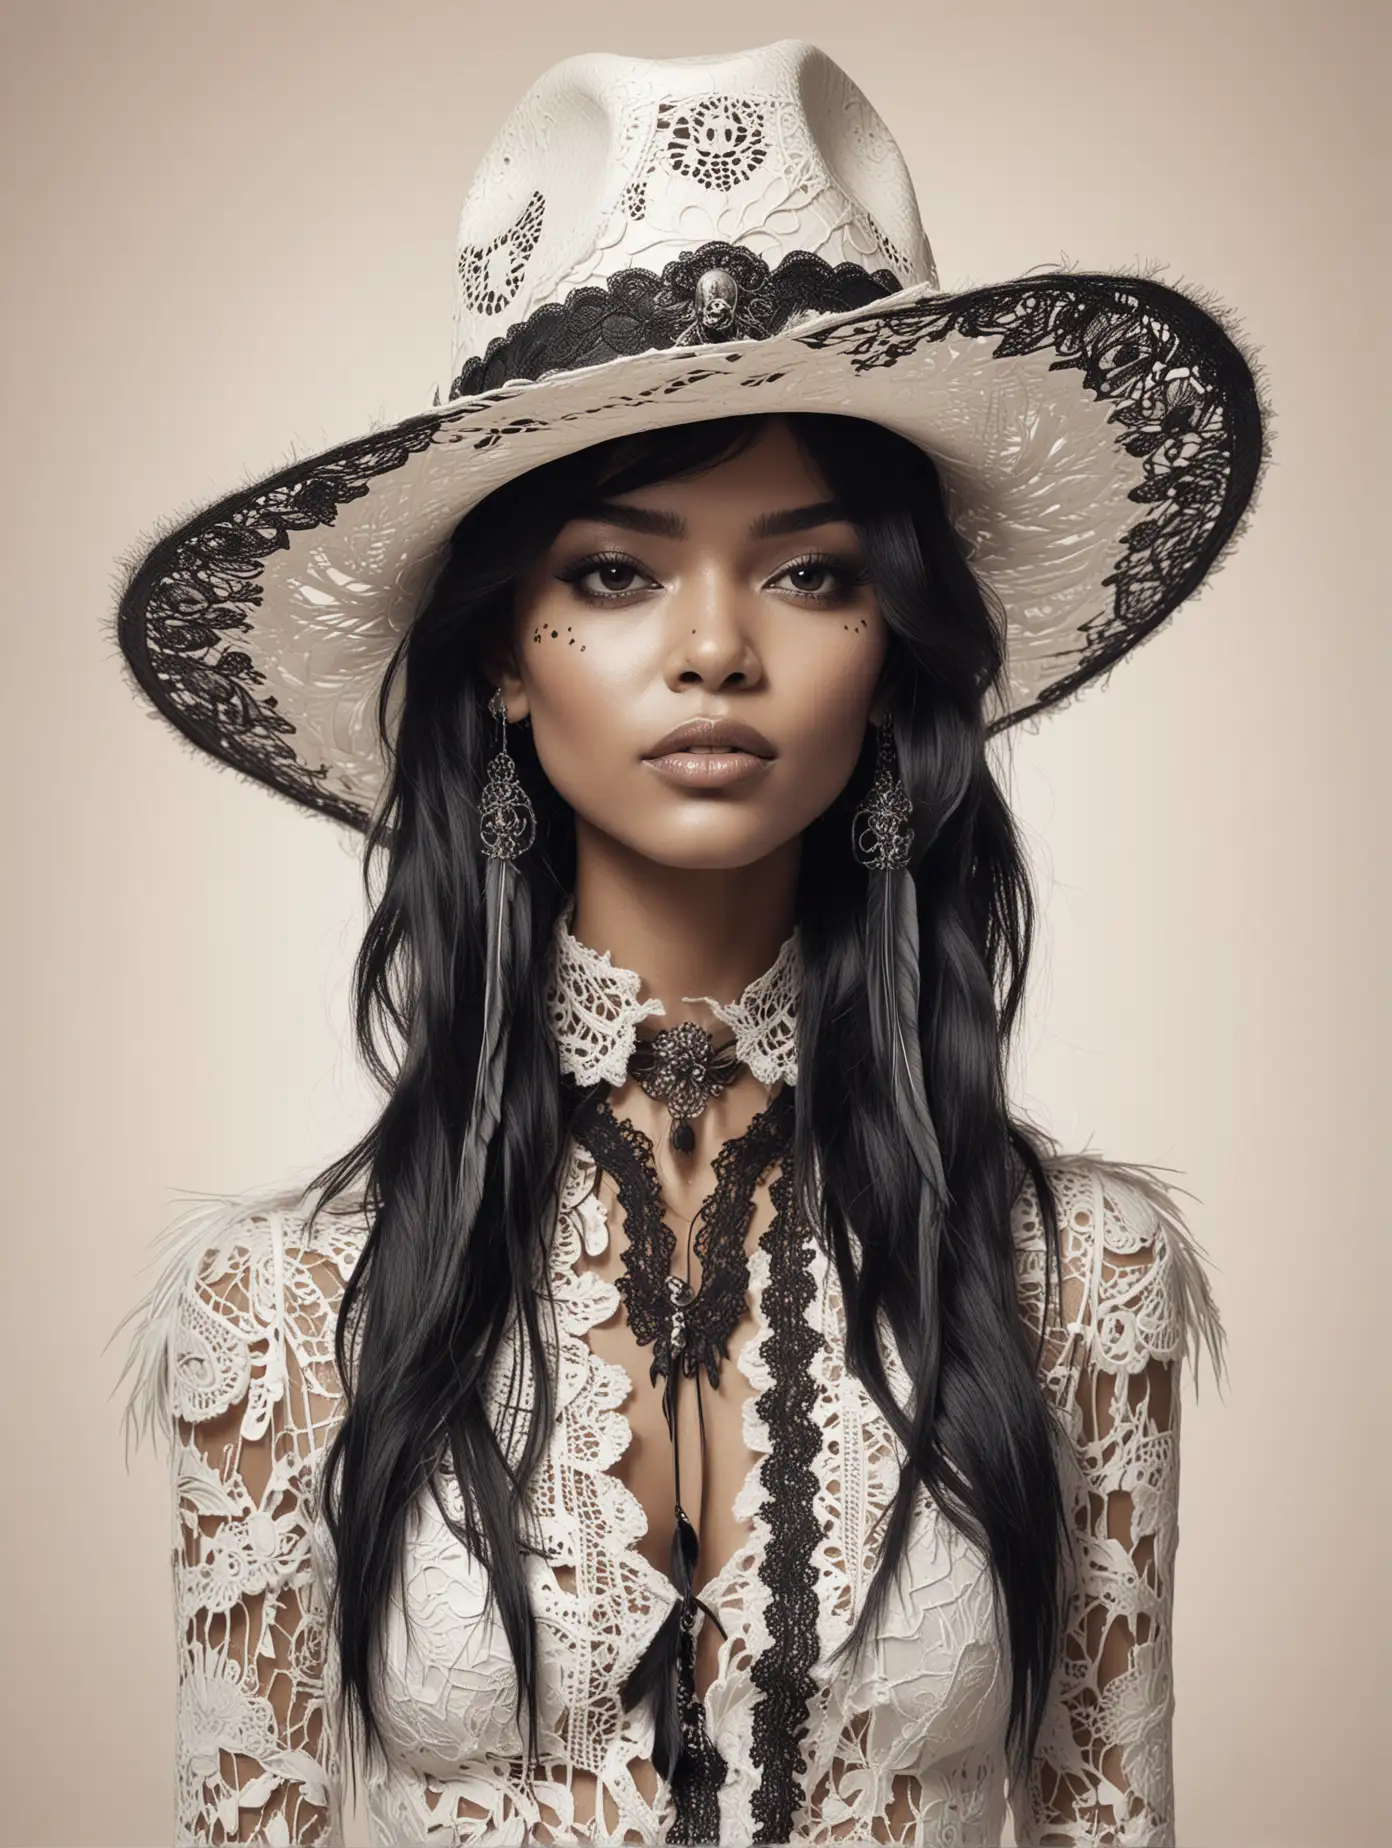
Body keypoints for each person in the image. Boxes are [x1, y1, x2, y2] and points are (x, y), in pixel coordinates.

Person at [114, 39, 1265, 1848]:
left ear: (894, 654)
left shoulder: (1080, 1281)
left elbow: (1112, 1817)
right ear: (504, 652)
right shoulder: (280, 1315)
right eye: (615, 572)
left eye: (810, 573)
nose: (717, 648)